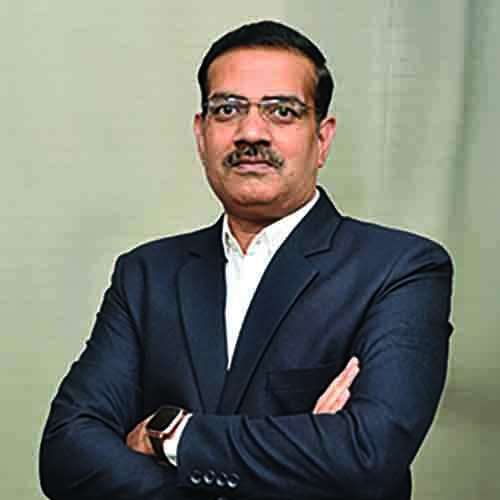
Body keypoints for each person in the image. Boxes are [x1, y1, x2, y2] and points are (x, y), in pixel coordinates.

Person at [39, 20, 453, 500]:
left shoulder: (400, 269)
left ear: (322, 139)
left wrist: (170, 436)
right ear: (202, 134)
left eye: (282, 111)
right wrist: (303, 454)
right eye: (227, 109)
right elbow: (66, 453)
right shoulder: (147, 275)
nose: (251, 131)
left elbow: (367, 452)